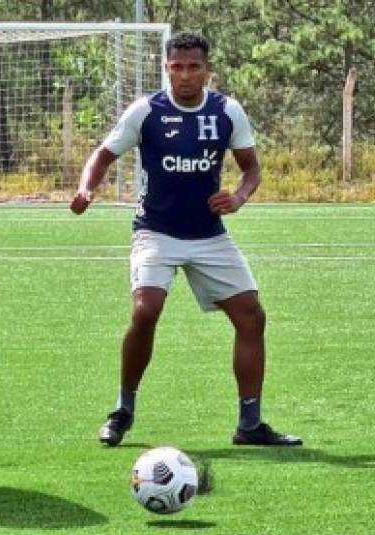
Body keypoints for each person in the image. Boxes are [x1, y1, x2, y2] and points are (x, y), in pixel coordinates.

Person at [70, 32, 302, 448]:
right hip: (156, 230)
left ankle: (249, 425)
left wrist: (239, 196)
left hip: (209, 234)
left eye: (194, 67)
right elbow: (103, 154)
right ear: (166, 69)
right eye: (176, 67)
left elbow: (251, 169)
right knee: (146, 311)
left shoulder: (227, 111)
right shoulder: (147, 111)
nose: (185, 76)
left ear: (207, 71)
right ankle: (123, 410)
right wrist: (88, 188)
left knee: (252, 316)